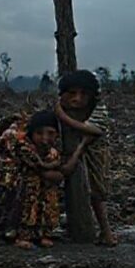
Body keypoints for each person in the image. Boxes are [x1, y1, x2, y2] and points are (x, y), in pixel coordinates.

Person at [0, 110, 88, 249]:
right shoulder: (21, 146)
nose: (45, 139)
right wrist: (53, 169)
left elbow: (56, 173)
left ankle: (39, 235)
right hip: (8, 184)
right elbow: (39, 166)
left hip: (39, 190)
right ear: (31, 133)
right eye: (39, 133)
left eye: (50, 133)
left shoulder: (52, 153)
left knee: (41, 211)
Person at [54, 70, 117, 246]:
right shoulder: (67, 109)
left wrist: (62, 115)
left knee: (97, 193)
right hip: (70, 155)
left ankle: (106, 232)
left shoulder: (98, 109)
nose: (78, 99)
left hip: (96, 155)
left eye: (84, 94)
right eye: (72, 93)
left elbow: (94, 132)